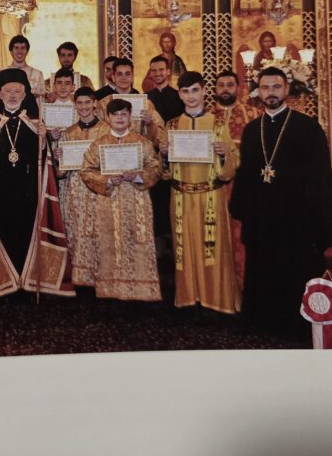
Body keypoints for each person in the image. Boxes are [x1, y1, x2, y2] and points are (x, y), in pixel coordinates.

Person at [230, 67, 332, 338]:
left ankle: (296, 325)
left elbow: (319, 176)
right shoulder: (252, 130)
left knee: (293, 271)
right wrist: (242, 208)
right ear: (258, 92)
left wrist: (318, 217)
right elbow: (245, 174)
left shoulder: (307, 128)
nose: (271, 93)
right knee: (262, 269)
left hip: (296, 220)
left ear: (287, 89)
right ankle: (262, 323)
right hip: (262, 219)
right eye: (265, 87)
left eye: (276, 87)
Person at [161, 72, 240, 314]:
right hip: (181, 196)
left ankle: (216, 300)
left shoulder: (218, 124)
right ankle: (188, 298)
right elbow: (165, 173)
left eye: (195, 90)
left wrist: (224, 154)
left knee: (213, 249)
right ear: (179, 94)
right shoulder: (172, 125)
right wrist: (164, 155)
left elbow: (231, 167)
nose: (191, 96)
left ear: (204, 91)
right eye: (185, 91)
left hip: (210, 196)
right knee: (183, 248)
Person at [79, 98, 162, 302]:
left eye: (124, 114)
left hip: (137, 201)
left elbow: (155, 168)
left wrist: (139, 176)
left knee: (137, 242)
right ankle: (111, 290)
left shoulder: (142, 142)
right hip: (108, 203)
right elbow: (86, 171)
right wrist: (107, 179)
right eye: (115, 114)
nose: (119, 118)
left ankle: (140, 291)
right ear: (108, 118)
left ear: (130, 117)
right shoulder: (99, 144)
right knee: (109, 243)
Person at [0, 70, 45, 274]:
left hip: (28, 192)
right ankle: (5, 279)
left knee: (26, 234)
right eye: (8, 91)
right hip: (0, 192)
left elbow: (42, 161)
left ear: (25, 95)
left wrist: (43, 140)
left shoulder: (35, 123)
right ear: (0, 95)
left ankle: (25, 278)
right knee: (3, 232)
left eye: (17, 91)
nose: (12, 95)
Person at [53, 86, 107, 286]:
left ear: (94, 103)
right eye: (79, 103)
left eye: (87, 102)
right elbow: (60, 172)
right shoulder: (69, 132)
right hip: (74, 190)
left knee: (99, 230)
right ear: (75, 105)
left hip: (98, 190)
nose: (83, 107)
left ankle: (101, 276)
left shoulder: (106, 130)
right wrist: (59, 157)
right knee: (76, 231)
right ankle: (80, 278)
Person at [210, 70, 255, 289]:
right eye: (221, 85)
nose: (225, 89)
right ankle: (218, 288)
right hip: (213, 186)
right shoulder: (207, 116)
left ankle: (244, 284)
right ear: (215, 89)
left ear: (238, 88)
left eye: (230, 85)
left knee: (241, 236)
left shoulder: (253, 114)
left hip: (243, 186)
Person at [0, 34, 44, 119]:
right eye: (16, 48)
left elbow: (41, 102)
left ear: (27, 51)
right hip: (5, 118)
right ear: (11, 51)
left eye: (23, 48)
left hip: (29, 118)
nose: (19, 51)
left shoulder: (37, 74)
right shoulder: (0, 73)